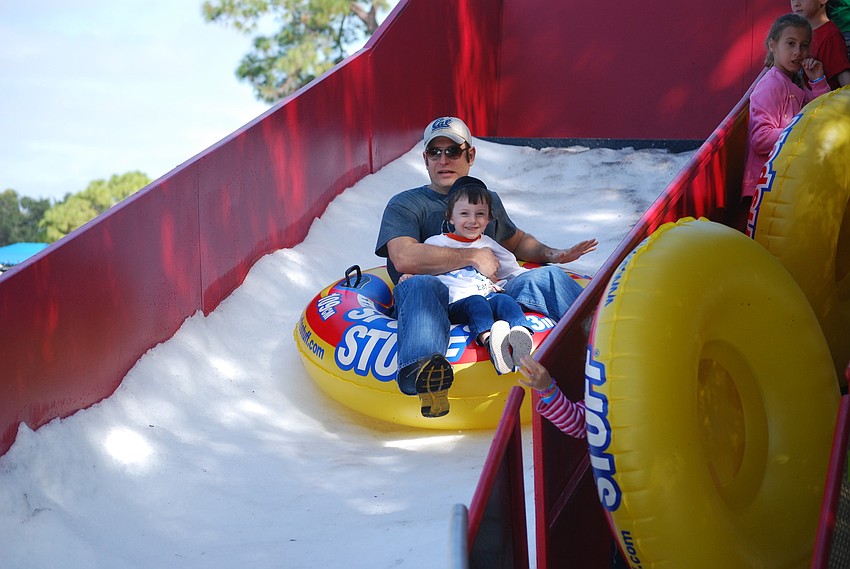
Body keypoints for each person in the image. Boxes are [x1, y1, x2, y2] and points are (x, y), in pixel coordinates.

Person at [375, 116, 598, 418]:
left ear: (470, 155)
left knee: (545, 277)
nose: (444, 160)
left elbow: (516, 243)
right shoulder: (406, 204)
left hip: (488, 291)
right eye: (435, 152)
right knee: (420, 285)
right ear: (425, 159)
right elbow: (403, 257)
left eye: (453, 151)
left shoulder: (485, 200)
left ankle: (604, 342)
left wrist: (555, 254)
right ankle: (425, 373)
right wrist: (470, 256)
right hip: (437, 298)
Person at [401, 176, 536, 376]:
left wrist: (519, 277)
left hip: (487, 295)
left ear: (488, 218)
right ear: (450, 217)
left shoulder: (489, 244)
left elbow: (512, 270)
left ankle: (521, 334)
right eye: (464, 214)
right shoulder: (436, 243)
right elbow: (421, 267)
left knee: (505, 301)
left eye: (480, 214)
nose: (472, 220)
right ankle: (490, 341)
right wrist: (409, 276)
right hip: (456, 302)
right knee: (476, 303)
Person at [741, 13, 830, 230]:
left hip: (783, 185)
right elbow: (760, 138)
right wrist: (799, 131)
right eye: (790, 44)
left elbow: (822, 114)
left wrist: (817, 79)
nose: (798, 52)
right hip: (763, 189)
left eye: (804, 45)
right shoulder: (771, 84)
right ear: (773, 44)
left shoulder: (795, 83)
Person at [792, 0, 850, 89]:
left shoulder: (830, 35)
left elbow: (844, 78)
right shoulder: (795, 31)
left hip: (824, 101)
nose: (796, 3)